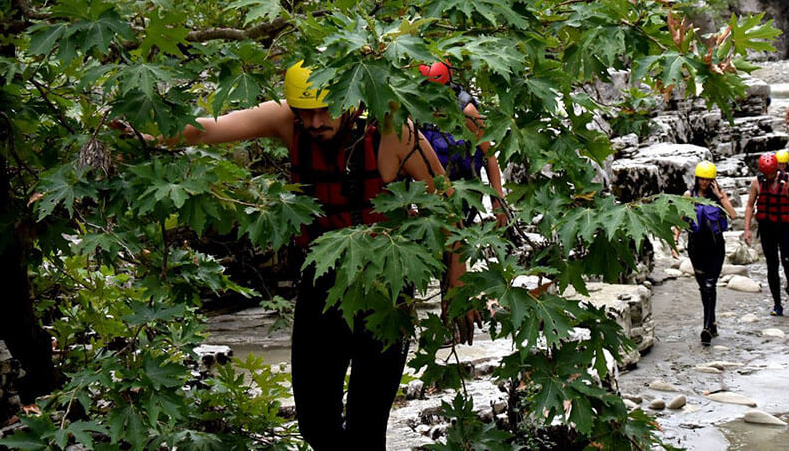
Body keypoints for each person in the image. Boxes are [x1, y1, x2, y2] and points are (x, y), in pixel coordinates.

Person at [119, 61, 471, 449]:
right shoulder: (287, 120)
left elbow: (446, 206)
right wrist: (146, 136)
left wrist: (457, 286)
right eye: (307, 112)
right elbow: (212, 128)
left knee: (366, 429)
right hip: (323, 282)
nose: (316, 122)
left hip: (385, 289)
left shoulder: (391, 132)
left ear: (348, 101)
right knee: (315, 425)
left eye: (325, 110)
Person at [418, 59, 508, 226]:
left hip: (464, 189)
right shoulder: (416, 109)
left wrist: (498, 199)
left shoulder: (466, 111)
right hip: (431, 191)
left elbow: (489, 154)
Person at [744, 153, 789, 316]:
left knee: (788, 261)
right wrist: (746, 229)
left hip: (786, 227)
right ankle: (777, 304)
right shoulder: (756, 183)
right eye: (766, 174)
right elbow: (750, 206)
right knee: (772, 266)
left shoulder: (788, 181)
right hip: (767, 229)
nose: (769, 176)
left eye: (771, 173)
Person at [681, 161, 737, 345]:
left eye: (708, 180)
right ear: (697, 179)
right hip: (696, 247)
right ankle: (711, 323)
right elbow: (680, 218)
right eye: (702, 179)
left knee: (710, 285)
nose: (704, 183)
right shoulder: (689, 195)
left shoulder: (718, 197)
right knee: (703, 287)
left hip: (715, 247)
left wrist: (721, 196)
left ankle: (706, 327)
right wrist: (674, 240)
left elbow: (733, 214)